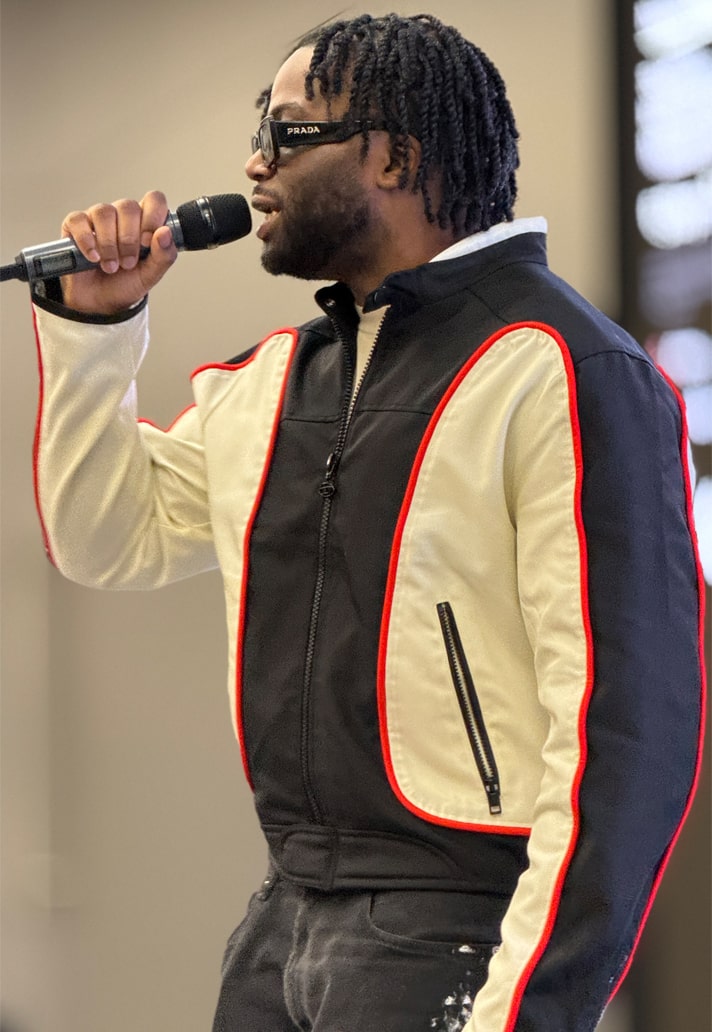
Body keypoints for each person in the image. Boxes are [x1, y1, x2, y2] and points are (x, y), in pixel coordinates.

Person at [29, 13, 704, 1032]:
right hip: (282, 920)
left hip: (460, 927)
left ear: (394, 156)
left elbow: (626, 736)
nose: (255, 161)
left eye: (287, 131)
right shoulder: (276, 381)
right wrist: (96, 326)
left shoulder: (560, 367)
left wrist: (530, 1007)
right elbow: (103, 536)